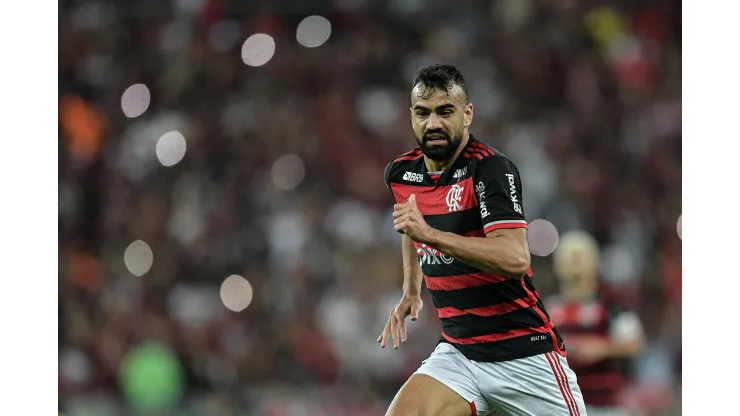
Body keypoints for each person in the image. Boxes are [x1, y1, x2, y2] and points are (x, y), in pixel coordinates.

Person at [379, 64, 586, 416]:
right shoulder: (401, 172)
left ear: (467, 114)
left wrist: (431, 234)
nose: (433, 125)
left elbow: (515, 258)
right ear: (411, 117)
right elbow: (409, 224)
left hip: (523, 353)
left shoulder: (489, 170)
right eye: (422, 113)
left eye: (445, 112)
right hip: (460, 352)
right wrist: (411, 290)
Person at [546, 231, 645, 416]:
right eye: (569, 257)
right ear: (557, 264)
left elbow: (635, 343)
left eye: (580, 256)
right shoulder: (548, 309)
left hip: (605, 406)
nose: (575, 262)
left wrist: (602, 348)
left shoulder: (611, 306)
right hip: (562, 407)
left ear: (594, 261)